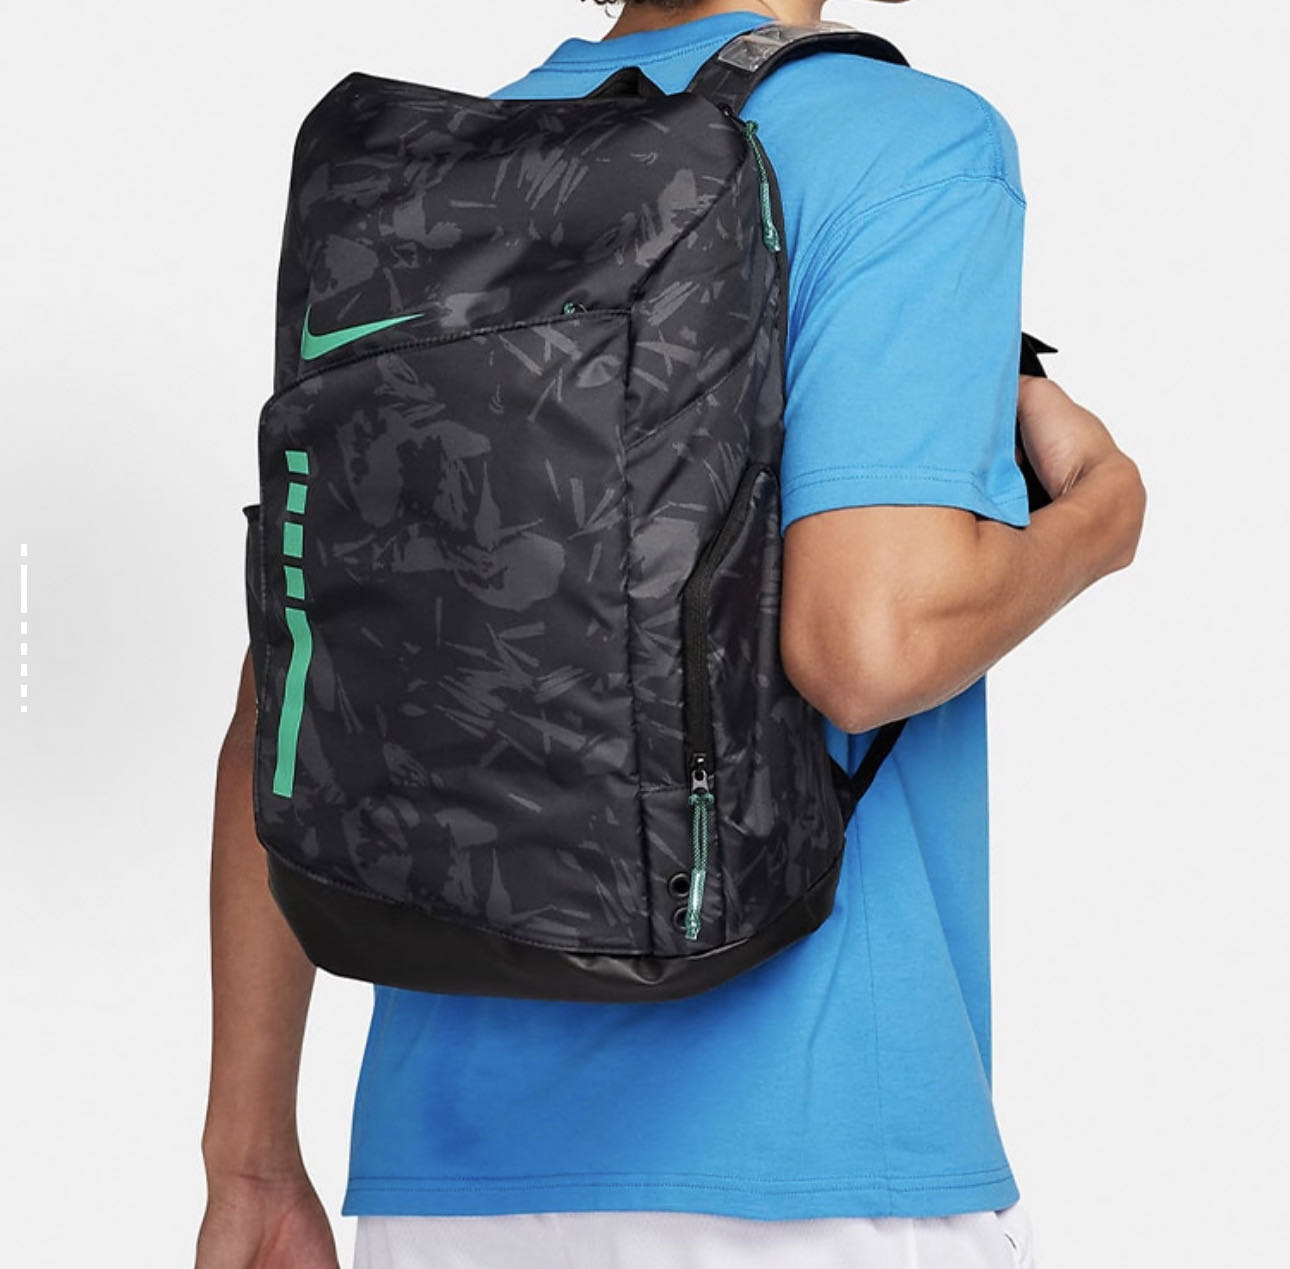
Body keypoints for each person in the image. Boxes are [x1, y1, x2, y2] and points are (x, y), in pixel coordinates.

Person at [195, 1, 1146, 1266]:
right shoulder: (904, 142)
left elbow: (299, 679)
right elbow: (866, 651)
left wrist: (251, 1161)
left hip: (447, 1182)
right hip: (806, 1161)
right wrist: (1100, 519)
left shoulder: (439, 170)